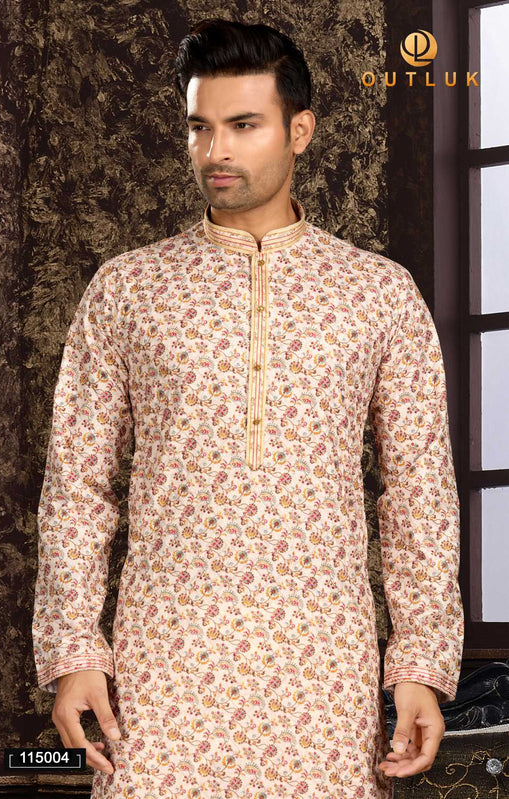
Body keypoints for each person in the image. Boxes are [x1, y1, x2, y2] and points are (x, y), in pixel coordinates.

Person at [32, 17, 464, 799]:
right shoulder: (128, 289)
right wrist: (74, 652)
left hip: (322, 671)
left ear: (299, 131)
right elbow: (77, 486)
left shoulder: (378, 294)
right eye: (198, 127)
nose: (214, 151)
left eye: (242, 125)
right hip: (163, 664)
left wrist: (418, 665)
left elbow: (418, 492)